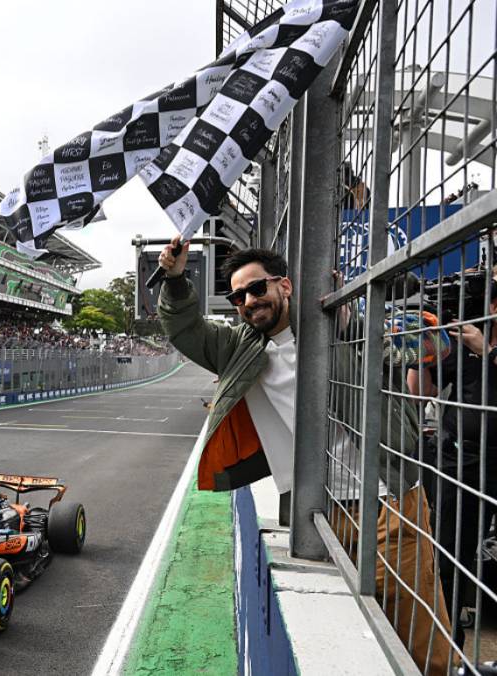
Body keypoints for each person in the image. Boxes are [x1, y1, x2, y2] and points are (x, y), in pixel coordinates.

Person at [156, 235, 451, 674]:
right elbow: (185, 329)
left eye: (257, 288)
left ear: (285, 286)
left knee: (422, 643)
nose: (249, 301)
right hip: (319, 511)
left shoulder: (339, 322)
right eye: (238, 296)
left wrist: (352, 320)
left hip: (389, 503)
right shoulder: (239, 346)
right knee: (354, 639)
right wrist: (177, 282)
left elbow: (435, 344)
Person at [407, 275, 497, 651]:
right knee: (447, 551)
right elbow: (419, 392)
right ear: (492, 307)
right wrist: (422, 351)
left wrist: (488, 356)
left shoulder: (480, 345)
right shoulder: (466, 341)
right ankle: (447, 643)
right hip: (458, 459)